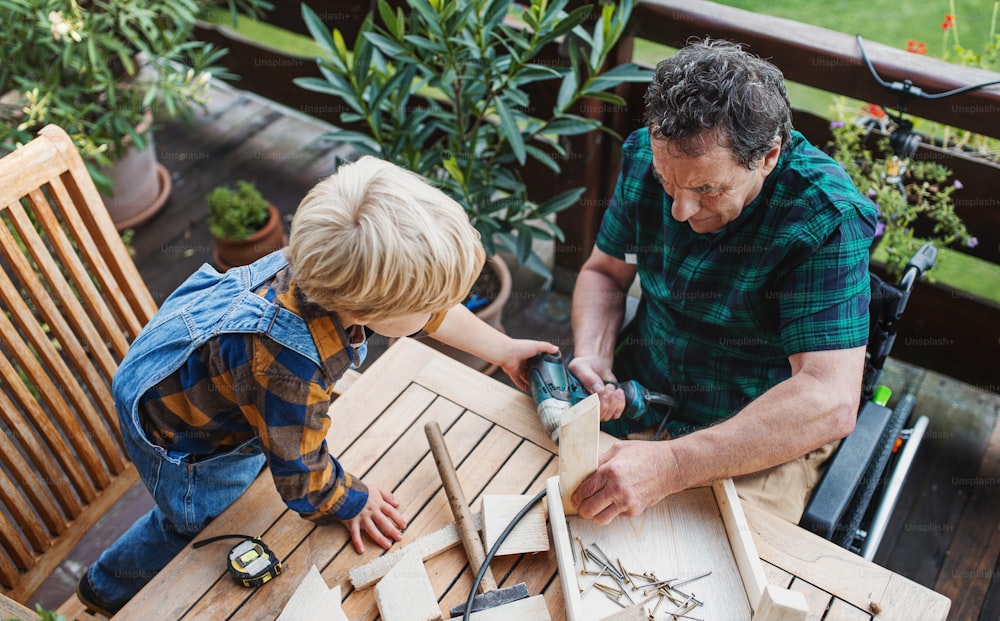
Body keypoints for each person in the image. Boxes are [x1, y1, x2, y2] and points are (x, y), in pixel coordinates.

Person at [77, 156, 558, 616]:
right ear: (372, 315)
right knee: (197, 529)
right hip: (185, 439)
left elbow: (430, 314)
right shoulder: (291, 368)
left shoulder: (330, 268)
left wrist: (504, 350)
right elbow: (302, 476)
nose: (438, 312)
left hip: (188, 370)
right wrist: (354, 499)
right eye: (428, 306)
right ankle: (106, 588)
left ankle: (109, 578)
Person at [567, 38, 877, 526]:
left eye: (707, 189)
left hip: (756, 439)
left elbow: (829, 399)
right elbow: (607, 272)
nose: (680, 210)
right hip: (638, 391)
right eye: (669, 183)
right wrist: (594, 357)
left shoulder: (824, 218)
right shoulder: (648, 157)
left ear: (769, 155)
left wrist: (672, 464)